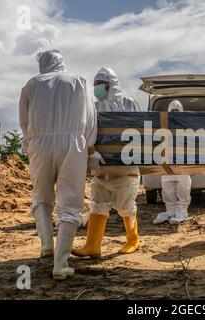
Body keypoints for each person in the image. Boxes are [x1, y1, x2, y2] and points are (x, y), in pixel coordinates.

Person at [19, 50, 97, 280]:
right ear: (61, 62)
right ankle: (61, 264)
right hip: (73, 144)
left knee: (41, 197)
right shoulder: (79, 81)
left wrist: (30, 142)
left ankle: (46, 245)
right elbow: (90, 118)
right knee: (70, 201)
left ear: (43, 63)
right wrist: (89, 146)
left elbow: (24, 121)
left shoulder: (31, 84)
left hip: (40, 143)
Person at [71, 67, 141, 258]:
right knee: (98, 203)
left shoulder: (128, 103)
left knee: (126, 206)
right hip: (101, 166)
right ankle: (92, 245)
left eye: (100, 85)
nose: (97, 88)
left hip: (125, 166)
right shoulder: (93, 107)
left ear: (111, 85)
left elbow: (139, 130)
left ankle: (132, 239)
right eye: (95, 85)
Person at [153, 100, 192, 225]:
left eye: (177, 111)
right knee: (167, 187)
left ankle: (182, 211)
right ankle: (170, 211)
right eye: (173, 111)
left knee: (183, 186)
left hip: (182, 161)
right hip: (167, 161)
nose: (175, 113)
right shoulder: (163, 125)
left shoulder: (187, 125)